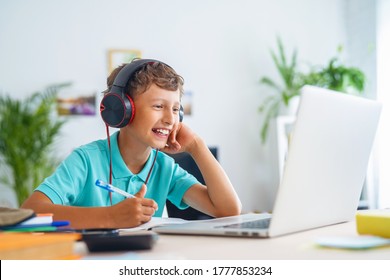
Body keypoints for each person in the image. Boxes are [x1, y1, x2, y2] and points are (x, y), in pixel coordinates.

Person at [21, 59, 241, 229]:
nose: (170, 119)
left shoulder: (164, 166)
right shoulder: (86, 160)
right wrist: (110, 217)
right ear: (123, 110)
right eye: (158, 106)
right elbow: (31, 210)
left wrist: (196, 145)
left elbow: (228, 210)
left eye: (175, 109)